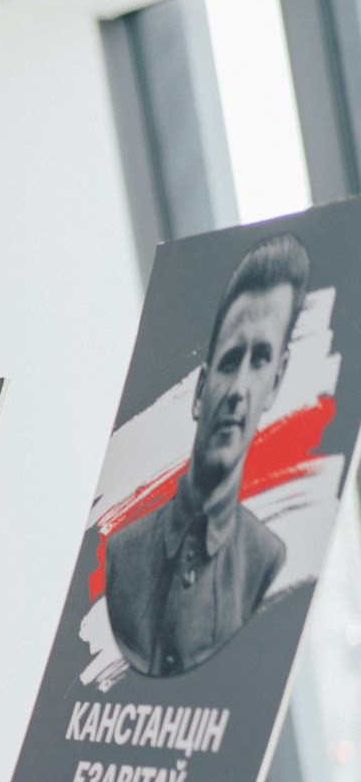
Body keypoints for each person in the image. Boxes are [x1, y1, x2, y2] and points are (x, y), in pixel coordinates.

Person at [106, 233, 307, 677]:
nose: (238, 391)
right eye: (230, 360)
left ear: (276, 383)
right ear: (200, 390)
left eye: (259, 362)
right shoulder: (121, 554)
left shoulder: (269, 562)